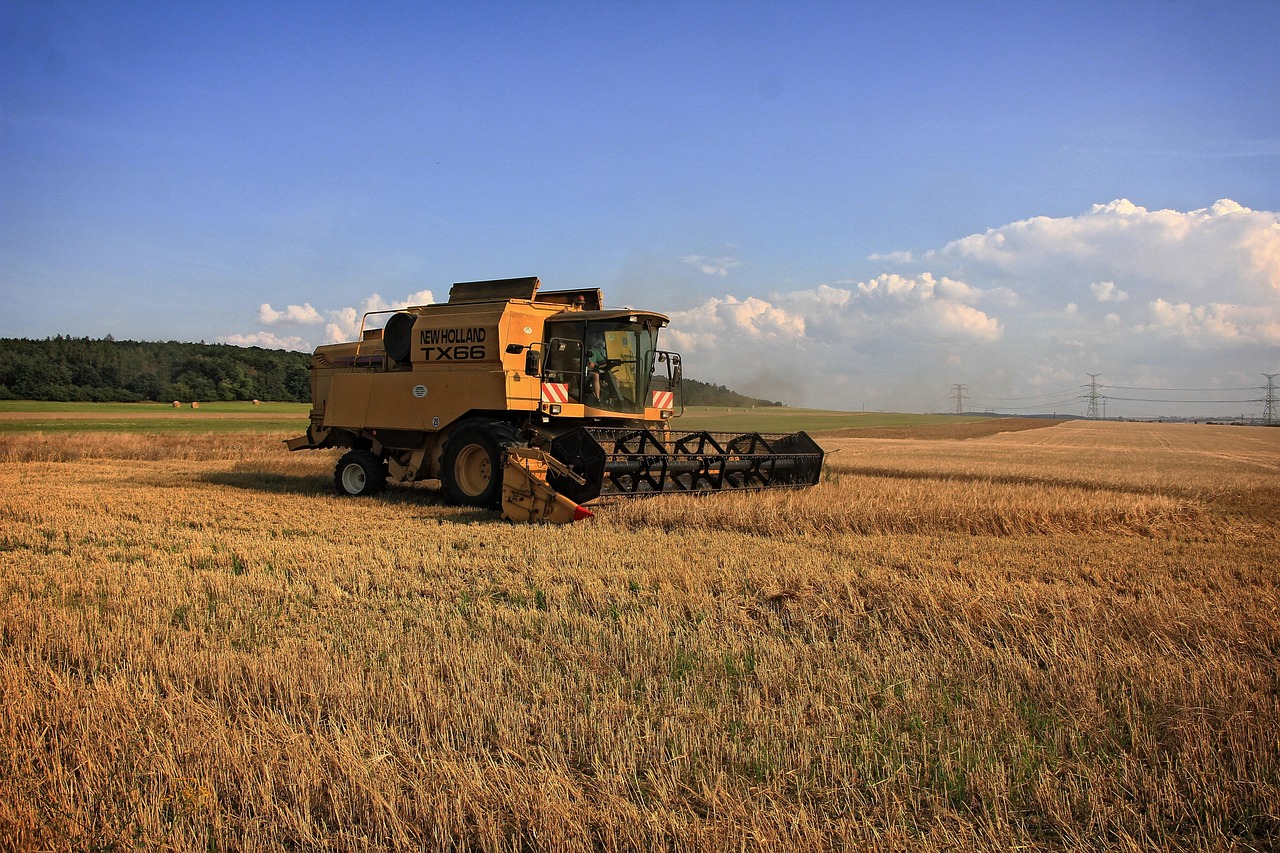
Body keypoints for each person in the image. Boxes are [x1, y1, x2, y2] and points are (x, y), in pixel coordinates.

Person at [586, 333, 608, 401]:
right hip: (584, 373)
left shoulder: (595, 351)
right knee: (596, 375)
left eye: (595, 338)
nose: (594, 340)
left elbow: (602, 361)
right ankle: (597, 399)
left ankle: (612, 399)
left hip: (594, 371)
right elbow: (575, 364)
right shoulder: (581, 348)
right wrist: (586, 364)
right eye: (592, 337)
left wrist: (605, 364)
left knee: (614, 378)